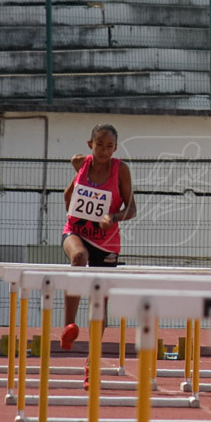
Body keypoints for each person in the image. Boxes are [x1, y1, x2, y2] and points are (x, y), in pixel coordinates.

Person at [61, 124, 136, 388]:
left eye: (110, 146)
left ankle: (92, 363)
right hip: (77, 231)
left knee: (100, 302)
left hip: (106, 242)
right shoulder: (80, 163)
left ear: (115, 148)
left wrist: (112, 217)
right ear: (89, 144)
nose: (104, 150)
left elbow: (132, 209)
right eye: (99, 144)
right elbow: (67, 197)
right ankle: (69, 326)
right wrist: (78, 195)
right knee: (78, 258)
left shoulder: (120, 169)